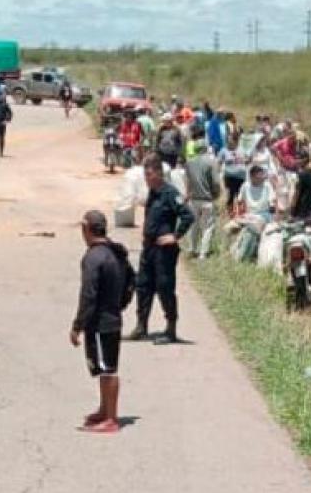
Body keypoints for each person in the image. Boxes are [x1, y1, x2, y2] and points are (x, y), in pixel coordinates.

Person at [71, 211, 128, 434]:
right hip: (112, 317)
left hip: (101, 323)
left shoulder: (93, 257)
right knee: (104, 368)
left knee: (108, 370)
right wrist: (119, 304)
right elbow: (130, 282)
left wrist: (77, 326)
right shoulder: (116, 252)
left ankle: (111, 419)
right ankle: (104, 409)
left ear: (87, 229)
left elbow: (88, 294)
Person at [130, 157, 194, 344]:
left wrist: (175, 236)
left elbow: (188, 215)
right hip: (149, 248)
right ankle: (141, 326)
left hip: (163, 251)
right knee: (143, 286)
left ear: (158, 173)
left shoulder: (170, 193)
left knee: (164, 287)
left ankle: (170, 329)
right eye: (145, 175)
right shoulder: (152, 193)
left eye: (149, 174)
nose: (146, 178)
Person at [185, 140, 222, 260]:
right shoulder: (211, 162)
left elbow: (188, 181)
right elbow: (216, 182)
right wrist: (217, 195)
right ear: (205, 148)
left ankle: (192, 248)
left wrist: (187, 195)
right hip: (207, 199)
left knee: (193, 225)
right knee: (207, 227)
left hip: (193, 199)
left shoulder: (189, 163)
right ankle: (203, 253)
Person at [218, 135, 248, 214]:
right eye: (228, 141)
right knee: (230, 195)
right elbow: (219, 163)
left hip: (241, 176)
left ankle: (241, 213)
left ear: (236, 141)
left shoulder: (242, 149)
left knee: (240, 196)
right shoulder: (223, 150)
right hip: (229, 176)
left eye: (231, 140)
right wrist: (219, 174)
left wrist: (243, 160)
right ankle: (230, 213)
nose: (229, 142)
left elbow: (248, 160)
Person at [289, 153, 311, 221]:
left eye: (299, 159)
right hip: (309, 210)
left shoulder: (301, 175)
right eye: (296, 159)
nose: (297, 161)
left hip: (299, 211)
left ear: (305, 159)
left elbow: (297, 194)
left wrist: (292, 209)